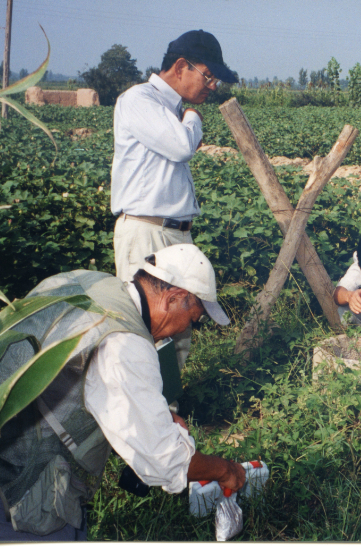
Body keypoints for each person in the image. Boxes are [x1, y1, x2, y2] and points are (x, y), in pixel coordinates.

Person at [0, 244, 245, 541]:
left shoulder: (89, 283)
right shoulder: (125, 342)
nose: (184, 331)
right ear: (174, 298)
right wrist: (225, 470)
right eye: (193, 319)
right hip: (5, 487)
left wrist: (155, 414)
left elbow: (83, 376)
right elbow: (164, 461)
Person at [110, 29, 237, 368]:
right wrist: (193, 119)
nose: (212, 87)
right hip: (147, 230)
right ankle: (144, 410)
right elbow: (182, 147)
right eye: (208, 77)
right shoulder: (141, 100)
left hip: (174, 232)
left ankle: (170, 409)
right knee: (146, 328)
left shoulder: (173, 110)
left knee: (178, 325)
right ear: (181, 66)